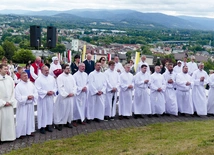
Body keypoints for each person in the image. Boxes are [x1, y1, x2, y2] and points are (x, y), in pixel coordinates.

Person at [54, 64, 77, 131]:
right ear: (63, 69)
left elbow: (74, 86)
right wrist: (66, 94)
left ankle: (68, 121)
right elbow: (60, 87)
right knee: (62, 110)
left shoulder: (71, 77)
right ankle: (60, 123)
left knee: (69, 110)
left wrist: (73, 92)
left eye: (69, 68)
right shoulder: (60, 77)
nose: (68, 70)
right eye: (67, 68)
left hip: (70, 97)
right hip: (63, 97)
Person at [15, 72, 38, 138]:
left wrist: (32, 96)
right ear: (21, 77)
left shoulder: (31, 84)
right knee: (22, 119)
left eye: (27, 75)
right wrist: (26, 97)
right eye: (24, 76)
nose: (26, 77)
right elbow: (17, 96)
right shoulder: (18, 86)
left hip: (30, 105)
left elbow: (35, 93)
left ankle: (29, 131)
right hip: (23, 105)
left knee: (30, 119)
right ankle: (21, 133)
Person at [35, 66, 57, 134]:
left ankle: (48, 125)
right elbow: (38, 89)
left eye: (48, 70)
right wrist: (46, 92)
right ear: (41, 71)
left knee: (49, 112)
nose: (47, 71)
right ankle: (42, 127)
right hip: (43, 99)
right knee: (43, 113)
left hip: (50, 98)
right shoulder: (38, 79)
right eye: (45, 70)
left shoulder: (52, 78)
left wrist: (53, 91)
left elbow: (55, 87)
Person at [0, 64, 16, 143]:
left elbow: (13, 91)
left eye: (7, 69)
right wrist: (2, 102)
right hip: (1, 105)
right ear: (0, 69)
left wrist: (10, 101)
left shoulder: (10, 79)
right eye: (4, 69)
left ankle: (9, 137)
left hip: (9, 103)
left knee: (8, 121)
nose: (6, 70)